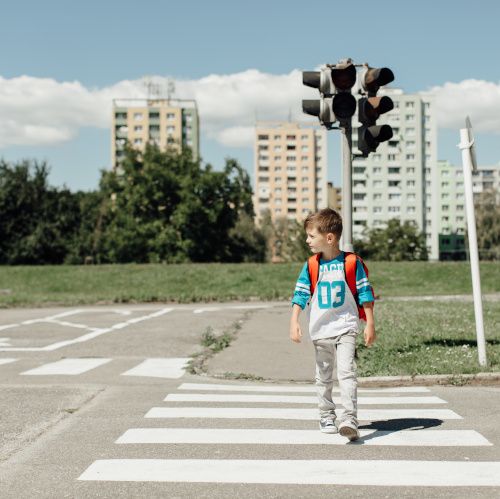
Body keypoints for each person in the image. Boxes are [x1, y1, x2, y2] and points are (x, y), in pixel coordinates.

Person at [289, 208, 376, 441]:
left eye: (311, 236)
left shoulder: (351, 262)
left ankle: (349, 419)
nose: (307, 240)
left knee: (347, 373)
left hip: (346, 326)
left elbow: (365, 293)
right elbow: (300, 293)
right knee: (324, 375)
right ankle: (326, 414)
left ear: (329, 238)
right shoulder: (311, 265)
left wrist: (369, 323)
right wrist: (294, 320)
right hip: (321, 329)